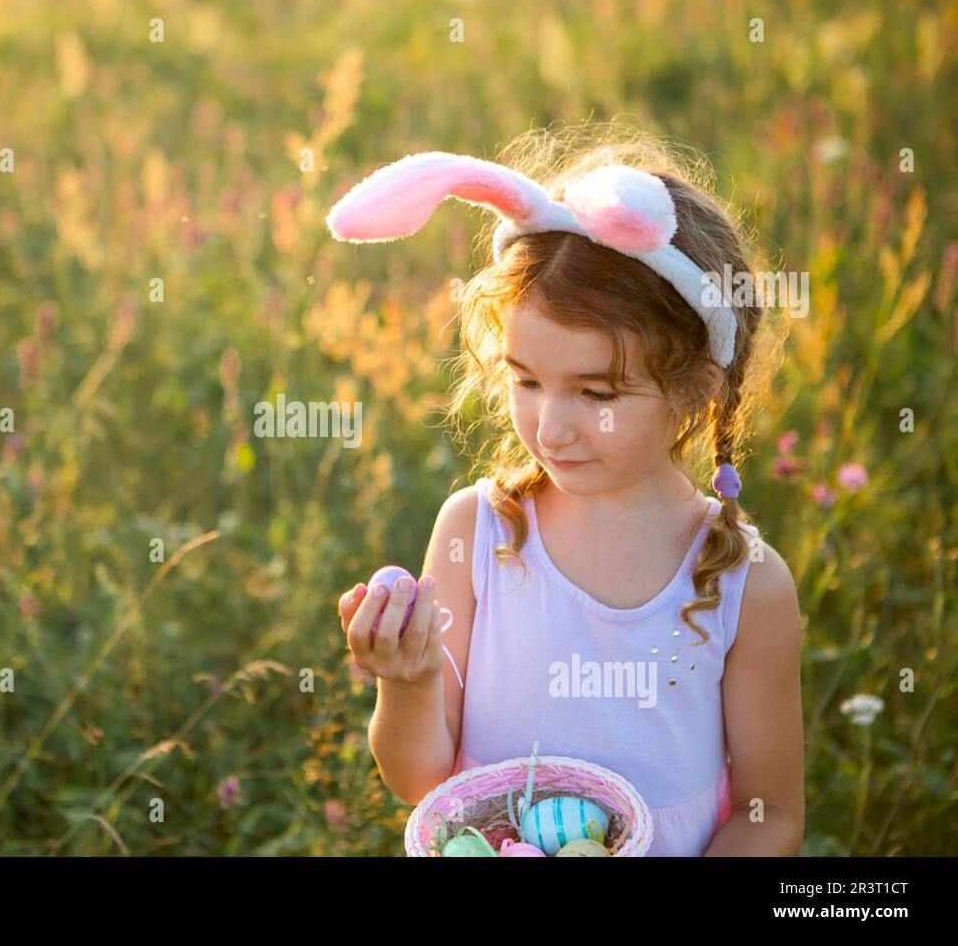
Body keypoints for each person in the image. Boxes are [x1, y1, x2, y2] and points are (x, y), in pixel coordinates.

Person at [333, 125, 804, 855]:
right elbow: (418, 776)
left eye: (596, 392)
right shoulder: (475, 532)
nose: (551, 429)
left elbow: (771, 813)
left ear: (694, 390)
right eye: (526, 381)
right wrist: (409, 679)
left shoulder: (748, 584)